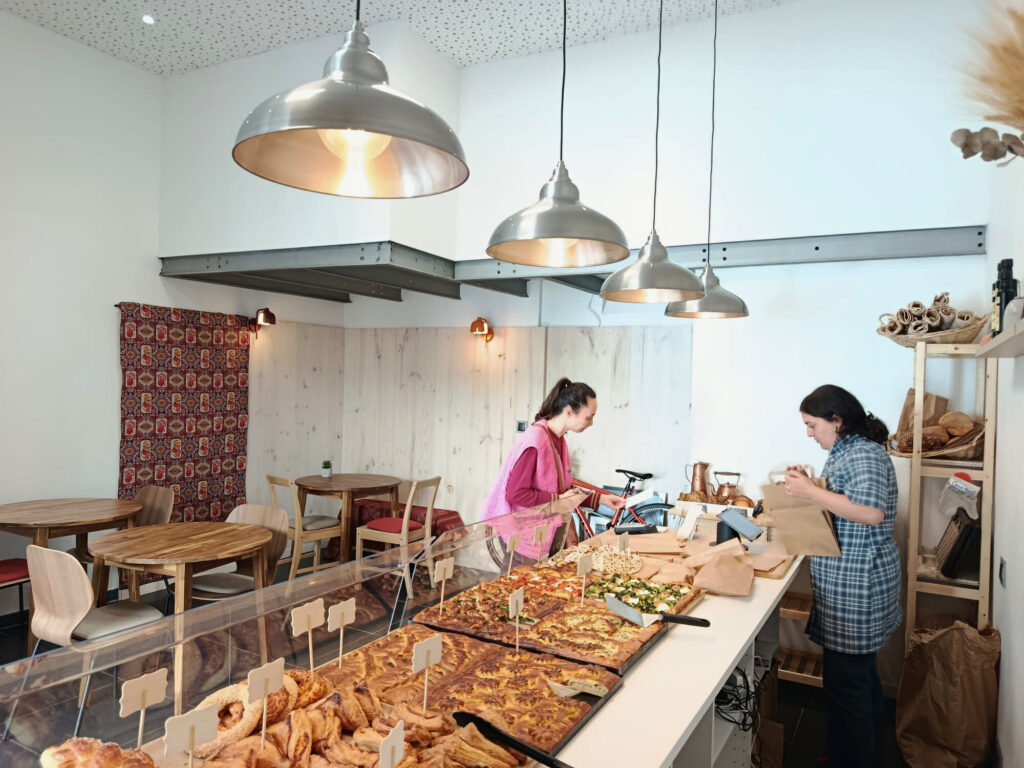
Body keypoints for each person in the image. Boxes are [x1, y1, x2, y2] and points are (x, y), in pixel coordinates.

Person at [783, 384, 902, 768]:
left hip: (859, 586)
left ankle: (852, 761)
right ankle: (854, 756)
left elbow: (871, 512)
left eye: (812, 425)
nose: (809, 433)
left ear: (837, 420)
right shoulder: (847, 450)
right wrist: (810, 485)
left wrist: (810, 493)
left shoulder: (863, 454)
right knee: (860, 682)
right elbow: (845, 500)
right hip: (851, 581)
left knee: (847, 686)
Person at [481, 378, 625, 558]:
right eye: (589, 417)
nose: (591, 423)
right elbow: (515, 493)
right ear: (569, 412)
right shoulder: (536, 440)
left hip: (541, 534)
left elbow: (562, 492)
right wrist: (558, 499)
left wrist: (600, 500)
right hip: (523, 536)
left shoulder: (558, 439)